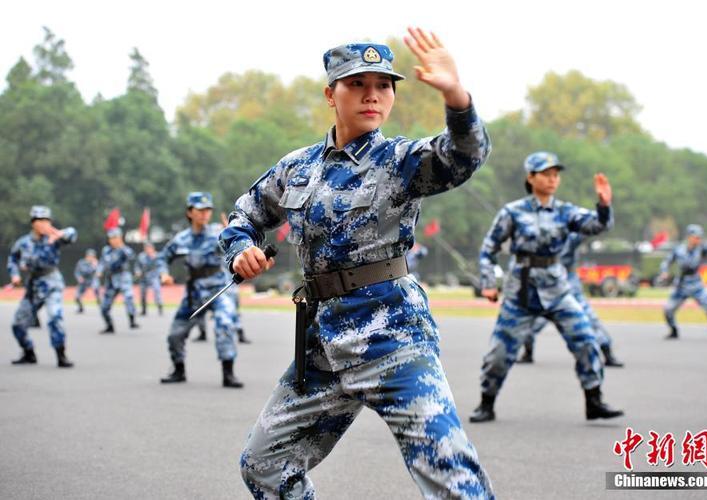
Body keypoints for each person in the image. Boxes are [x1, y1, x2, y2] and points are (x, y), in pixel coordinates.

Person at [220, 29, 495, 498]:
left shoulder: (400, 160)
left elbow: (463, 156)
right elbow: (244, 215)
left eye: (384, 85)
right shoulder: (296, 168)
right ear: (331, 93)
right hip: (323, 349)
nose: (372, 95)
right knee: (264, 465)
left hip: (394, 341)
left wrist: (456, 96)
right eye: (357, 84)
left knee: (452, 478)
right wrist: (240, 250)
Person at [469, 151, 624, 423]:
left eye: (556, 175)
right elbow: (488, 250)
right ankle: (487, 402)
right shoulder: (512, 212)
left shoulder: (566, 211)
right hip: (522, 290)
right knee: (500, 353)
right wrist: (488, 283)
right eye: (546, 174)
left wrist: (604, 204)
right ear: (531, 177)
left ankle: (594, 400)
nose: (553, 180)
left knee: (586, 340)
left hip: (557, 287)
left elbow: (598, 226)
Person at [158, 192, 242, 388]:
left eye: (208, 210)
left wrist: (233, 234)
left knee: (225, 324)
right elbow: (162, 258)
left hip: (217, 290)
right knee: (174, 334)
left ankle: (228, 373)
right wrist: (164, 274)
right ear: (190, 212)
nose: (205, 213)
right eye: (200, 210)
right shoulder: (182, 239)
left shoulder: (218, 233)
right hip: (194, 294)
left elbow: (235, 245)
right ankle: (178, 370)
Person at [517, 232, 624, 367]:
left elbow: (587, 230)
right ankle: (528, 353)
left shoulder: (569, 232)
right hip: (545, 287)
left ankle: (608, 353)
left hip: (569, 286)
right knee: (530, 321)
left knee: (589, 320)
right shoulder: (535, 231)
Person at [8, 205, 76, 367]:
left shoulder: (55, 238)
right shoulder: (23, 242)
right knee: (18, 324)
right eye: (38, 220)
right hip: (33, 286)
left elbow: (72, 234)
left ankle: (61, 355)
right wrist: (15, 274)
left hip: (52, 282)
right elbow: (13, 259)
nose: (42, 224)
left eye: (45, 220)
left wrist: (60, 234)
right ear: (33, 223)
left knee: (54, 318)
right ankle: (28, 352)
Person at [659, 224, 707, 340]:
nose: (699, 240)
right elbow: (666, 262)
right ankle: (673, 331)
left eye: (700, 237)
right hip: (681, 285)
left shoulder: (701, 249)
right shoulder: (678, 250)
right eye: (696, 237)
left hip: (696, 285)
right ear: (689, 237)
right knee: (668, 309)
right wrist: (664, 272)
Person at [98, 227, 140, 333]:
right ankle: (109, 326)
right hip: (111, 279)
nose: (113, 240)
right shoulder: (106, 250)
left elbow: (131, 256)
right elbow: (102, 262)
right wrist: (99, 271)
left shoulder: (124, 249)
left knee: (128, 297)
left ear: (120, 238)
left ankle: (132, 320)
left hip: (123, 276)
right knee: (104, 306)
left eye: (116, 237)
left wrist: (122, 246)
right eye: (111, 238)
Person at [135, 241, 163, 316]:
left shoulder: (157, 256)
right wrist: (138, 272)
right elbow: (137, 266)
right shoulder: (141, 256)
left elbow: (161, 266)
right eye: (146, 248)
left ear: (153, 248)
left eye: (150, 248)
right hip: (143, 277)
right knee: (142, 294)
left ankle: (160, 308)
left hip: (154, 276)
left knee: (157, 291)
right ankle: (143, 310)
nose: (148, 250)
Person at [74, 248, 100, 313]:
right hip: (83, 280)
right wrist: (79, 277)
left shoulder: (96, 263)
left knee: (96, 287)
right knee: (77, 297)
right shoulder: (81, 262)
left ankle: (99, 301)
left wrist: (96, 267)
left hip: (92, 279)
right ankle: (81, 308)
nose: (91, 258)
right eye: (89, 256)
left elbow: (98, 272)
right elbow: (77, 271)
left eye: (92, 256)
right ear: (86, 256)